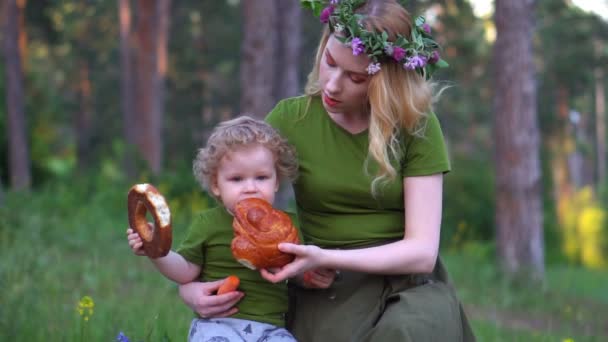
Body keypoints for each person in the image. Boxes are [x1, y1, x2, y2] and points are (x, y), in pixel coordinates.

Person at [179, 0, 476, 340]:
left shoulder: (416, 126)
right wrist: (188, 289)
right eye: (329, 62)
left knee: (407, 331)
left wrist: (327, 255)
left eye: (355, 78)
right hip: (323, 280)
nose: (333, 85)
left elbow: (422, 253)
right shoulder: (292, 119)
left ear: (386, 82)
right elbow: (238, 208)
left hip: (406, 280)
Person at [127, 116, 333, 342]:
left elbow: (298, 272)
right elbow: (185, 272)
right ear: (216, 185)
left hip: (271, 329)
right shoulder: (208, 223)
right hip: (217, 325)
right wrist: (156, 251)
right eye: (236, 179)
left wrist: (311, 276)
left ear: (276, 181)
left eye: (262, 177)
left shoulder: (287, 226)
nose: (250, 188)